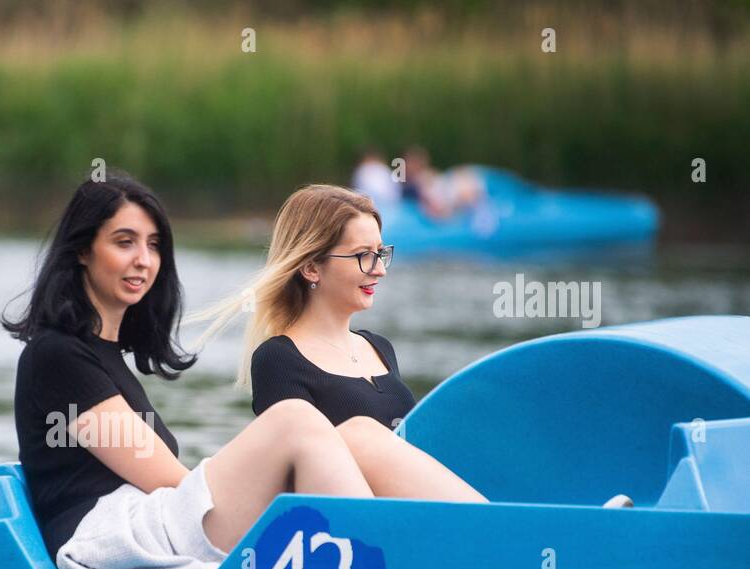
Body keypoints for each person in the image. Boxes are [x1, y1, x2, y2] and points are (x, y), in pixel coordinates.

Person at [3, 173, 380, 569]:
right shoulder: (56, 355)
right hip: (105, 539)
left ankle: (415, 551)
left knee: (358, 436)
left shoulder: (105, 356)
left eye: (154, 245)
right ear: (82, 252)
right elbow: (165, 480)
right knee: (293, 422)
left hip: (143, 522)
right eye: (124, 242)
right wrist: (260, 485)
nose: (144, 259)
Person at [184, 184, 634, 509]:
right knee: (358, 435)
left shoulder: (380, 347)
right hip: (365, 529)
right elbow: (295, 481)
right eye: (363, 256)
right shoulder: (279, 358)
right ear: (311, 269)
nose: (379, 269)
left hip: (421, 514)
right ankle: (521, 537)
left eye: (382, 253)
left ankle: (551, 520)